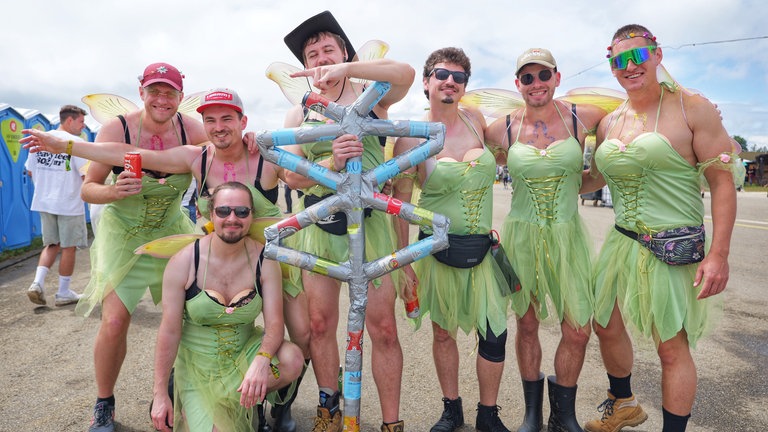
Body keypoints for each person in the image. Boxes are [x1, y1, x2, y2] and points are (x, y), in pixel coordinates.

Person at [22, 87, 311, 431]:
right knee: (201, 323)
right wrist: (68, 145)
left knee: (303, 336)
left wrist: (339, 158)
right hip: (216, 257)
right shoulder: (195, 157)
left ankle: (280, 405)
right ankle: (175, 388)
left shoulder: (262, 153)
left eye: (228, 118)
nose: (219, 126)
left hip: (268, 259)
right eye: (212, 120)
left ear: (242, 121)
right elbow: (129, 151)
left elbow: (302, 176)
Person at [584, 24, 738, 432]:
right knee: (604, 324)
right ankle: (625, 403)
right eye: (620, 60)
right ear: (612, 66)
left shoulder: (691, 107)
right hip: (621, 243)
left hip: (670, 244)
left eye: (638, 56)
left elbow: (722, 182)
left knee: (670, 346)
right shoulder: (610, 121)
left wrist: (719, 254)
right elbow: (595, 179)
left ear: (657, 55)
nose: (630, 66)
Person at [281, 10, 414, 432]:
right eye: (312, 54)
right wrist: (331, 162)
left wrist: (349, 67)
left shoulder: (370, 94)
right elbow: (290, 175)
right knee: (320, 325)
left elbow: (407, 73)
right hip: (320, 227)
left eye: (328, 51)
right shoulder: (298, 112)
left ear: (344, 53)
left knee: (384, 328)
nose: (321, 59)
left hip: (371, 226)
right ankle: (329, 409)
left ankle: (391, 422)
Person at [485, 48, 608, 432]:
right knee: (527, 324)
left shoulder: (583, 117)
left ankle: (564, 413)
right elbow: (465, 150)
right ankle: (532, 413)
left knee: (578, 327)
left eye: (543, 75)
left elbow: (611, 154)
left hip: (568, 235)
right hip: (521, 236)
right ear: (517, 83)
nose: (536, 83)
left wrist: (577, 186)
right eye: (527, 77)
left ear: (557, 76)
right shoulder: (500, 128)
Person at [80, 62, 208, 432]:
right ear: (142, 92)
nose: (162, 99)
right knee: (116, 321)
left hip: (171, 233)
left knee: (188, 316)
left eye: (170, 92)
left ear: (181, 97)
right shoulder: (116, 128)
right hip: (123, 236)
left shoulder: (192, 128)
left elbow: (219, 160)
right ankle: (104, 403)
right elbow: (88, 188)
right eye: (155, 90)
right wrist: (111, 191)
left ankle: (172, 390)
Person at [393, 47, 511, 432]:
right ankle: (451, 409)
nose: (450, 82)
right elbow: (401, 202)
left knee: (494, 332)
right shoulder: (411, 139)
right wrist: (404, 260)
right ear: (426, 83)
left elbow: (516, 140)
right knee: (442, 331)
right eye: (442, 74)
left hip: (483, 248)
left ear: (464, 86)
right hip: (436, 249)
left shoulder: (477, 121)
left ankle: (488, 415)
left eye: (459, 77)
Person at [150, 181, 304, 431]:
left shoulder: (264, 260)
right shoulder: (185, 262)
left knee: (292, 358)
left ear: (251, 216)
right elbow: (169, 331)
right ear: (210, 214)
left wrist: (262, 361)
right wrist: (159, 394)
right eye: (224, 211)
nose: (232, 218)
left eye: (242, 212)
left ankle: (244, 399)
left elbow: (275, 325)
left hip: (243, 356)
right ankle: (197, 398)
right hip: (199, 367)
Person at [24, 104, 89, 307]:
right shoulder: (76, 143)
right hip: (69, 202)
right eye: (81, 121)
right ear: (69, 121)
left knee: (51, 244)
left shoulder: (40, 139)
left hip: (44, 200)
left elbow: (30, 171)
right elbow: (86, 175)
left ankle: (37, 283)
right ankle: (63, 292)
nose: (83, 126)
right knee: (68, 248)